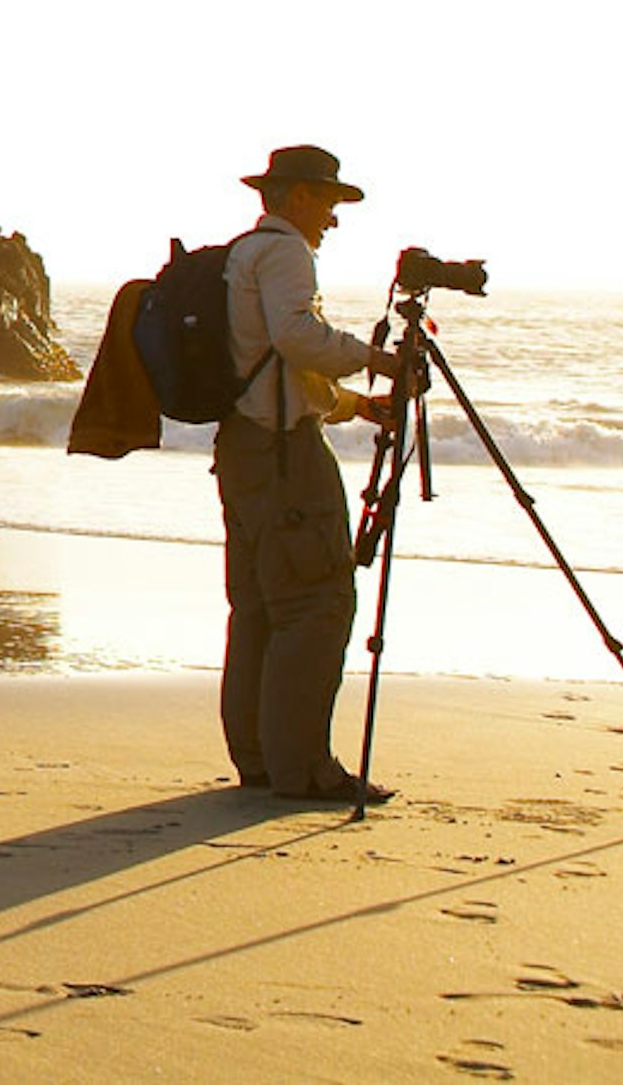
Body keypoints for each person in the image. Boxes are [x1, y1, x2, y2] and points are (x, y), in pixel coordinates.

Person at [215, 143, 397, 804]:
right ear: (296, 197)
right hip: (285, 455)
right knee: (317, 602)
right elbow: (296, 337)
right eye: (327, 201)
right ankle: (305, 768)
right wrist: (379, 357)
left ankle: (260, 758)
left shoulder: (244, 253)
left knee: (260, 605)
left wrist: (352, 403)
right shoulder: (288, 251)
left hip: (242, 448)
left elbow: (273, 364)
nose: (332, 218)